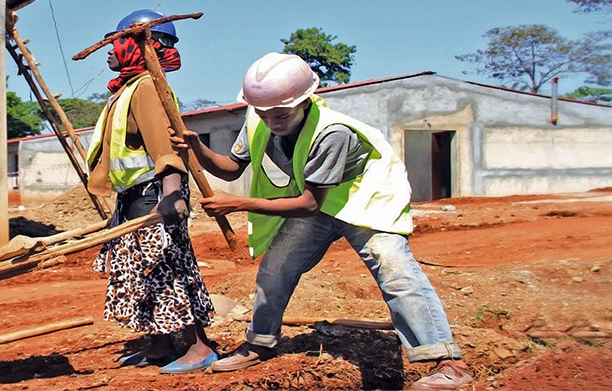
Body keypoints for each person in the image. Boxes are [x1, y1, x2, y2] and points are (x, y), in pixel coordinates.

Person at [170, 52, 473, 389]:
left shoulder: (332, 132)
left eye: (281, 115)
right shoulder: (260, 117)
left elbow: (310, 203)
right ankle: (260, 342)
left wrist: (240, 202)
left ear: (305, 100)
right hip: (318, 204)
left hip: (364, 200)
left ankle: (447, 362)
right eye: (264, 113)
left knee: (394, 268)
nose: (272, 122)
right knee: (276, 266)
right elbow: (230, 167)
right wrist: (197, 147)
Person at [84, 9, 218, 375]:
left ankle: (198, 347)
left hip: (154, 195)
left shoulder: (146, 88)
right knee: (138, 273)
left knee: (166, 270)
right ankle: (158, 345)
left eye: (116, 43)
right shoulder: (127, 88)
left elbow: (166, 145)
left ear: (142, 46)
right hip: (133, 196)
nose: (108, 51)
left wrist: (172, 193)